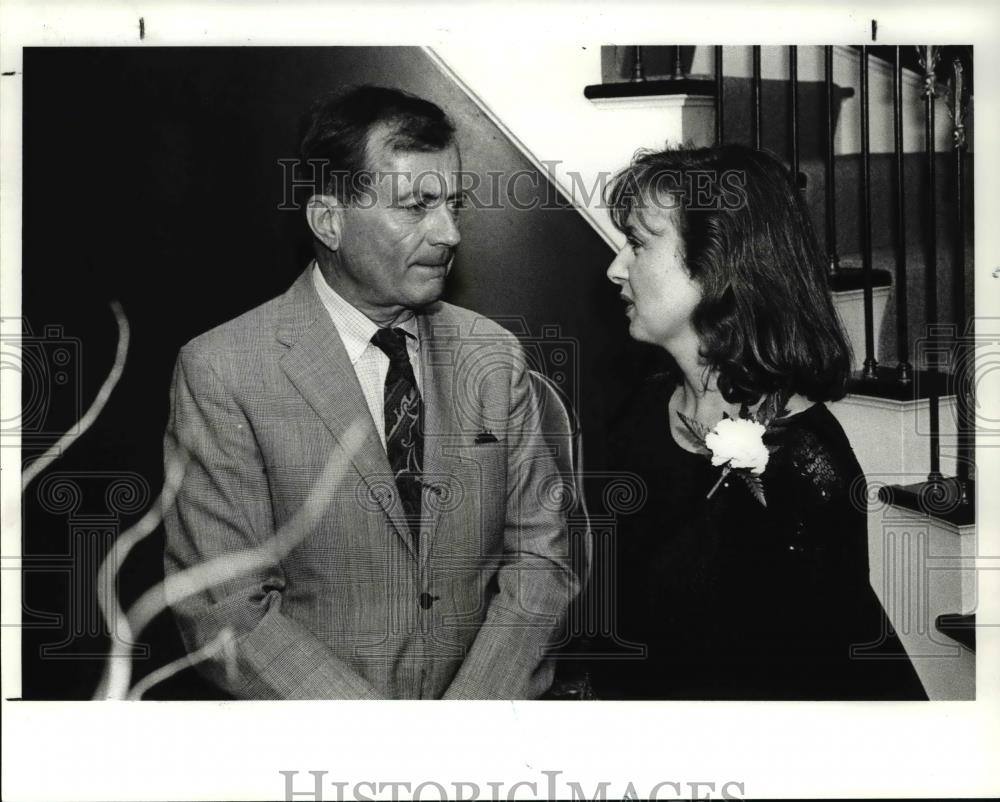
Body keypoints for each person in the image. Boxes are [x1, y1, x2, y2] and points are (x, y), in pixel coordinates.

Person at [162, 85, 579, 699]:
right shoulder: (223, 371)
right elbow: (224, 608)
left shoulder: (492, 355)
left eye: (453, 204)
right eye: (416, 207)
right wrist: (380, 743)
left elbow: (542, 563)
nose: (449, 233)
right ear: (329, 221)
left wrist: (468, 720)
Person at [594, 144, 927, 700]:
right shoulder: (639, 412)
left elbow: (811, 690)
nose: (614, 267)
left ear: (717, 263)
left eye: (637, 244)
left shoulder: (806, 465)